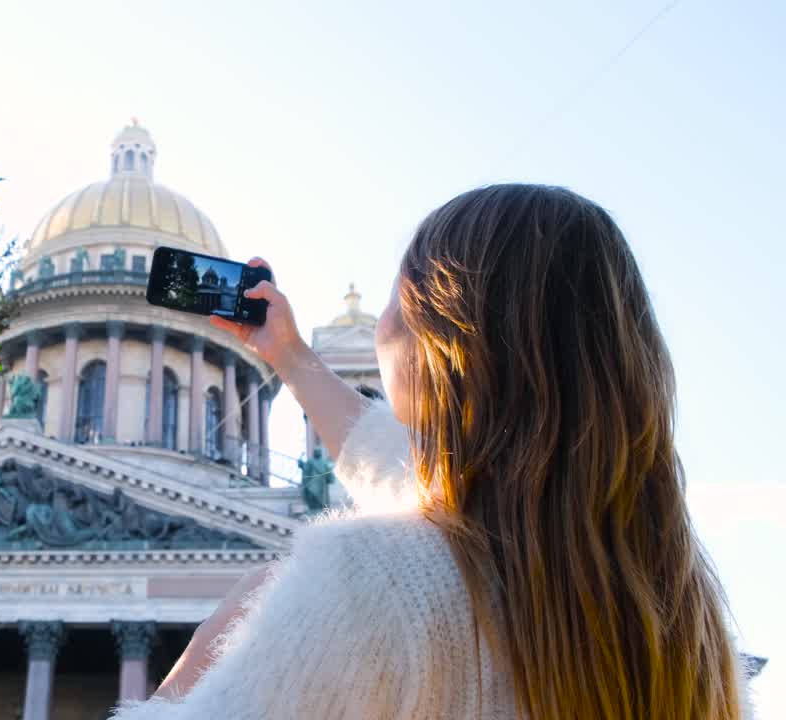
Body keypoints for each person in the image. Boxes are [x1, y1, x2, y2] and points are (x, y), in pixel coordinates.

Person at [110, 184, 755, 719]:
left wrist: (206, 654)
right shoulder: (685, 625)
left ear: (431, 338)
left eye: (397, 294)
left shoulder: (364, 578)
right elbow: (400, 464)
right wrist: (289, 355)